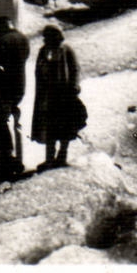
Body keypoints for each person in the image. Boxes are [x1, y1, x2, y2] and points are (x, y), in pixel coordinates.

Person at [31, 25, 82, 169]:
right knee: (49, 127)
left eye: (48, 37)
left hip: (64, 95)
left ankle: (62, 156)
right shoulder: (44, 51)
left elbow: (75, 69)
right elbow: (38, 70)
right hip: (48, 96)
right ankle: (49, 158)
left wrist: (74, 86)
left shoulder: (66, 50)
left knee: (65, 127)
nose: (45, 40)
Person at [0, 16, 32, 176]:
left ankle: (5, 158)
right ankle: (18, 157)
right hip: (20, 84)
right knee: (16, 121)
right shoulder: (23, 38)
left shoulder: (4, 40)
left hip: (5, 86)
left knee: (1, 121)